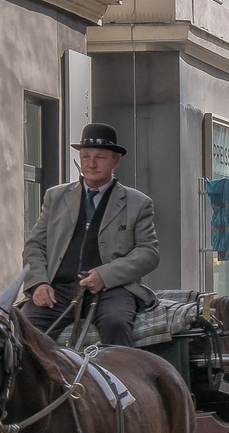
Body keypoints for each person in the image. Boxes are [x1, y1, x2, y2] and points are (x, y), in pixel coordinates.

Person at [21, 123, 160, 346]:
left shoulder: (138, 203)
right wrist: (38, 283)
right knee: (23, 329)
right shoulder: (55, 197)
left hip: (112, 289)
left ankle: (117, 380)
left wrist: (105, 275)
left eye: (100, 157)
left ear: (116, 160)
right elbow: (35, 246)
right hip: (57, 289)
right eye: (85, 156)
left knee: (117, 324)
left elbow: (148, 253)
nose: (91, 164)